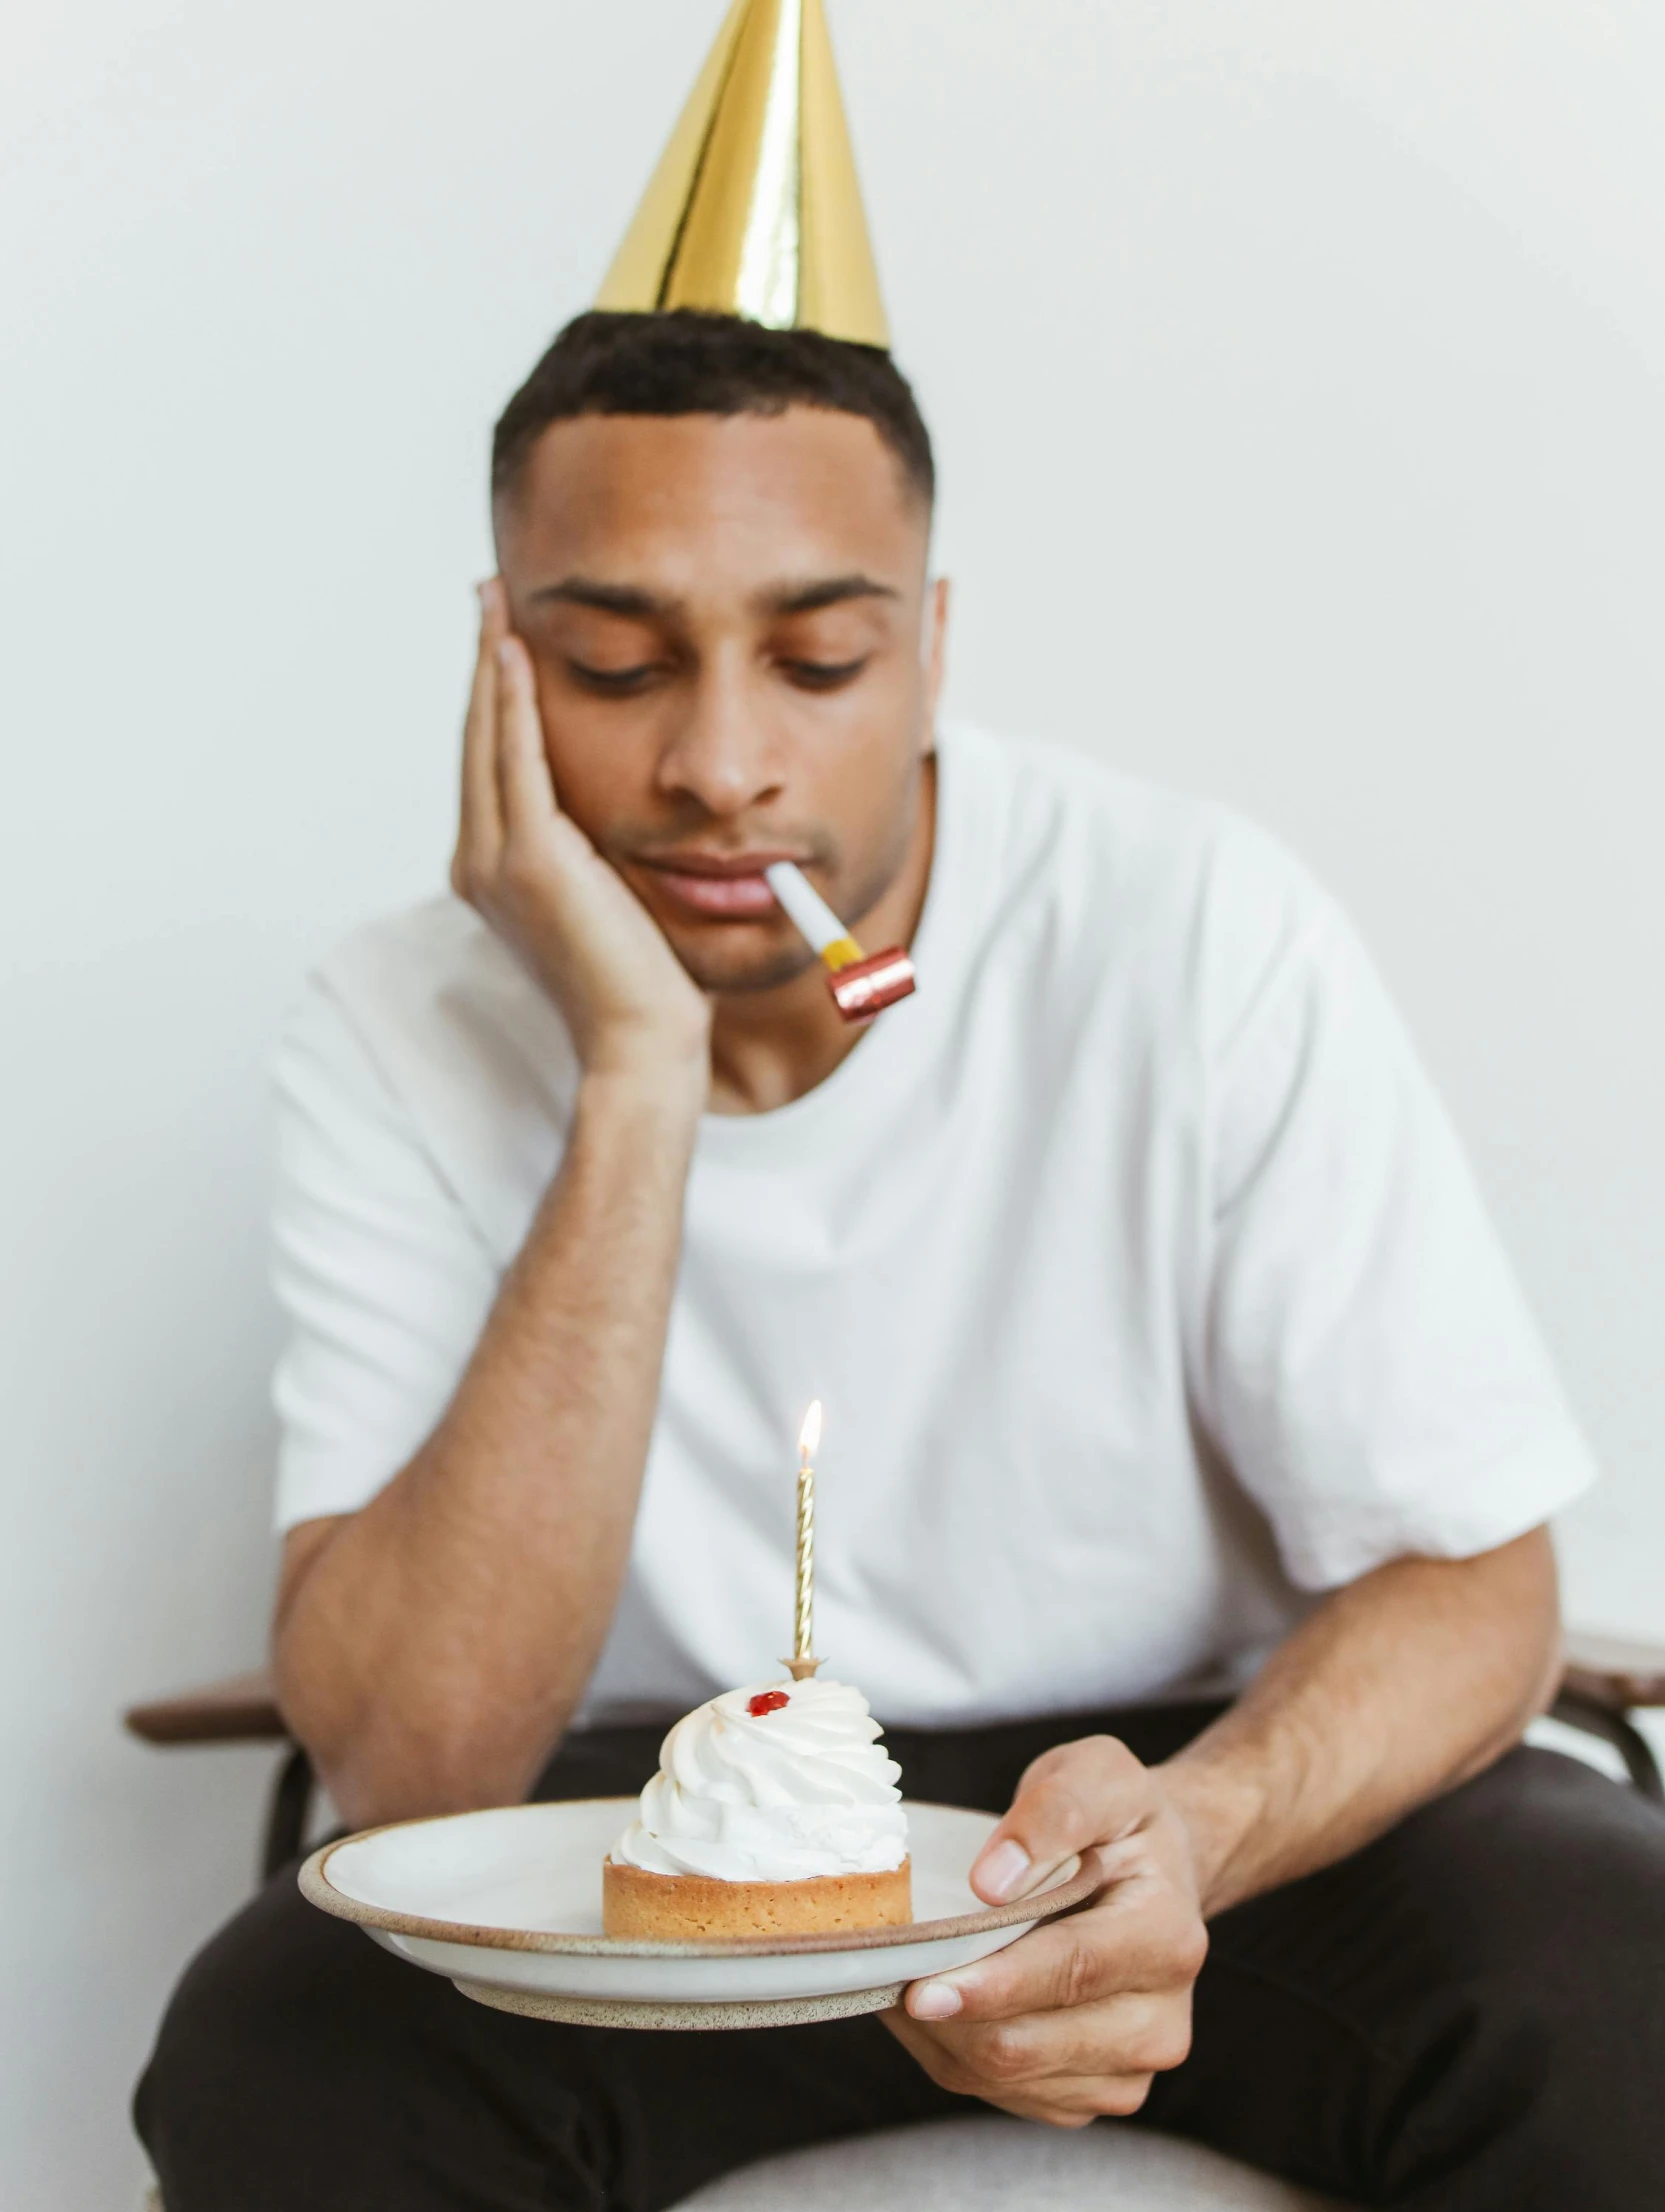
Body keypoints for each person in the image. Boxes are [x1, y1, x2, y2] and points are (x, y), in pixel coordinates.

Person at [136, 7, 1665, 2208]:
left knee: (1617, 1966)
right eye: (616, 660)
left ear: (935, 646)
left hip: (1151, 1786)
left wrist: (1207, 1827)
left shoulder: (1187, 926)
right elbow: (416, 1759)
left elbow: (1472, 1569)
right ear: (497, 658)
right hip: (643, 1837)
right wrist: (640, 1066)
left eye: (820, 662)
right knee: (281, 2049)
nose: (722, 765)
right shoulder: (396, 1017)